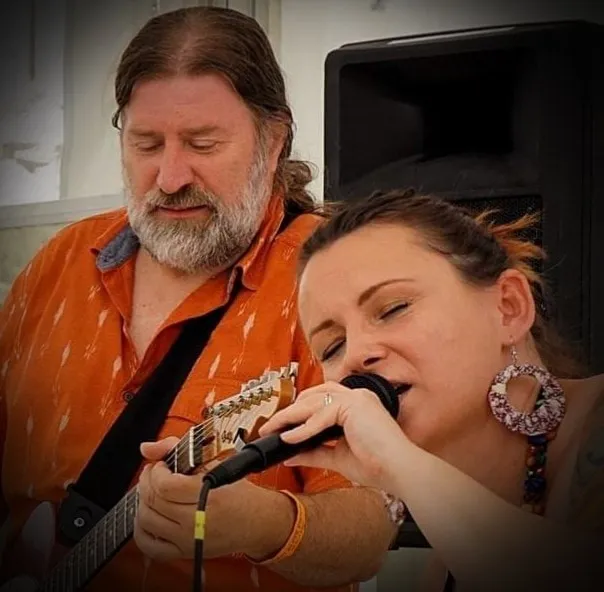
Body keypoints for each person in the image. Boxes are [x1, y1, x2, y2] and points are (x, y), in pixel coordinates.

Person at [0, 7, 397, 592]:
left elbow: (371, 531)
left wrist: (263, 525)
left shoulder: (337, 274)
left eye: (202, 144)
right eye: (146, 144)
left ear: (273, 141)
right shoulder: (61, 260)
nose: (169, 177)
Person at [260, 189, 604, 592]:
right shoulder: (449, 565)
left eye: (393, 309)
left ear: (508, 308)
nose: (355, 355)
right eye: (332, 347)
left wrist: (398, 463)